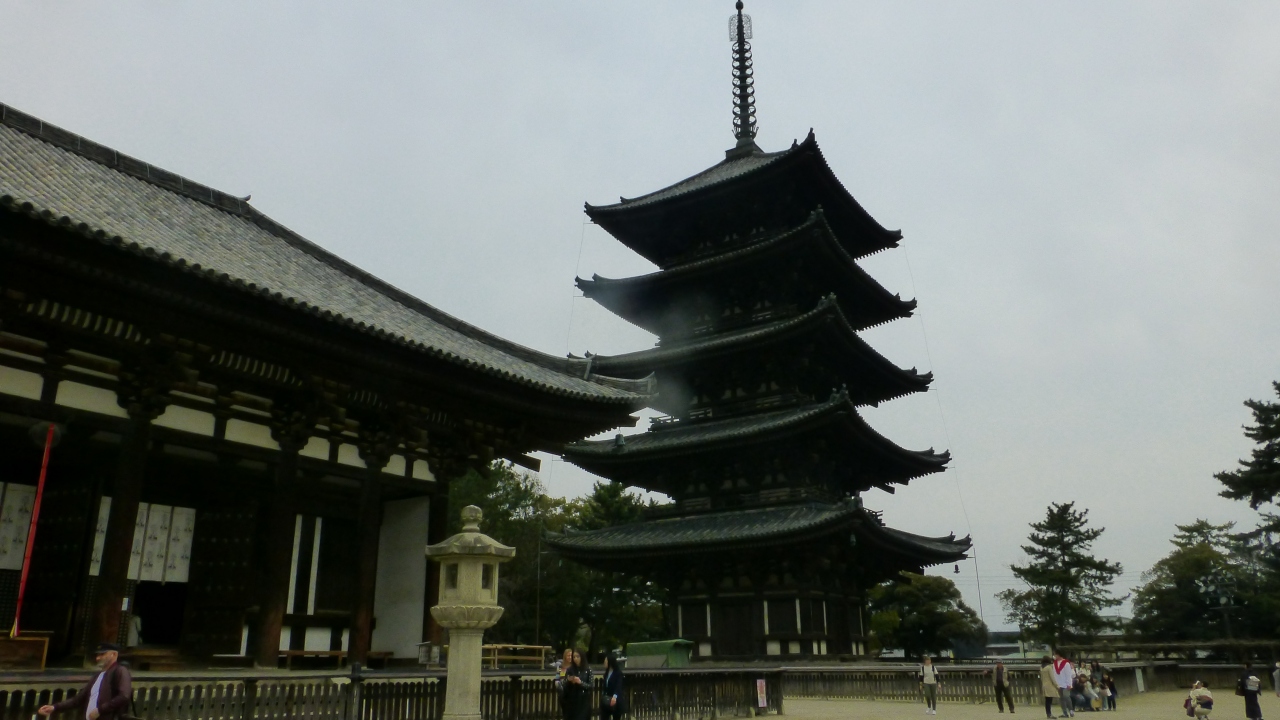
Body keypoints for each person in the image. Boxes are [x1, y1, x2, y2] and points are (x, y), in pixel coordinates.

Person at [38, 643, 131, 720]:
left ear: (114, 654)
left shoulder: (120, 671)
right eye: (98, 655)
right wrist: (55, 707)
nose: (98, 658)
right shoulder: (98, 675)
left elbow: (124, 696)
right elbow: (78, 699)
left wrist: (100, 710)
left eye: (102, 654)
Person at [564, 650, 594, 720]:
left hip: (584, 700)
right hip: (572, 699)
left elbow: (591, 686)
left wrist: (580, 682)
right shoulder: (570, 669)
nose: (575, 659)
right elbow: (564, 684)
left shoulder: (588, 670)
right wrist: (569, 680)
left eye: (577, 657)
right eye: (574, 657)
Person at [600, 652, 624, 720]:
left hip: (615, 699)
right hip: (606, 698)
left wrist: (615, 696)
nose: (604, 663)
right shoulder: (606, 673)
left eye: (606, 661)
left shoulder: (618, 673)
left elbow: (618, 686)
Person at [1052, 649, 1075, 718]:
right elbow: (1054, 674)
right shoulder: (1054, 663)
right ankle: (1065, 713)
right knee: (1061, 699)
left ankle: (1071, 709)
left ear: (1059, 654)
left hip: (1065, 683)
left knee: (1066, 696)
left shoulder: (1066, 663)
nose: (1055, 656)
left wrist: (1069, 684)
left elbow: (1068, 674)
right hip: (1058, 683)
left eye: (1055, 654)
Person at [555, 648, 574, 720]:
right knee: (565, 712)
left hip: (572, 692)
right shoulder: (561, 667)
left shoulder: (575, 667)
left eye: (571, 655)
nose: (569, 657)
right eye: (568, 655)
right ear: (565, 656)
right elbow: (558, 677)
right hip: (563, 693)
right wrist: (557, 683)